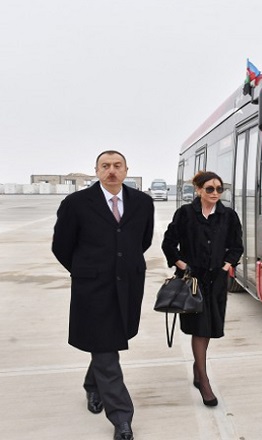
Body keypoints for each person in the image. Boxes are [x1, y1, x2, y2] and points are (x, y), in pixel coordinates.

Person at [52, 150, 154, 440]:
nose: (112, 170)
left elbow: (142, 241)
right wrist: (87, 270)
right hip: (92, 288)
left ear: (126, 170)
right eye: (105, 166)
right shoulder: (75, 204)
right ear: (96, 171)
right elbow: (62, 246)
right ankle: (122, 417)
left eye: (117, 166)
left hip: (128, 285)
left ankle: (92, 386)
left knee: (105, 341)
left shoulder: (143, 203)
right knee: (107, 351)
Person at [161, 171, 243, 407]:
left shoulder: (228, 216)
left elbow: (236, 246)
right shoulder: (185, 214)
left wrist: (226, 264)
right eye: (210, 189)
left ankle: (198, 372)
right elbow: (169, 243)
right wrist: (183, 265)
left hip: (215, 281)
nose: (215, 193)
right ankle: (204, 381)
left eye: (219, 189)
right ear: (198, 190)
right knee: (200, 329)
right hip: (192, 281)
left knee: (208, 328)